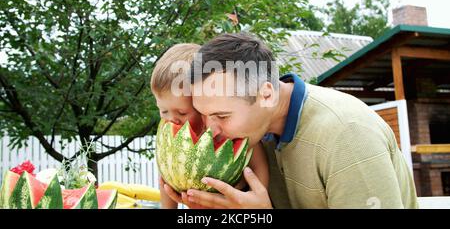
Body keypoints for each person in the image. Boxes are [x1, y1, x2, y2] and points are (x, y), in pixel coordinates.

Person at [163, 32, 419, 209]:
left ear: (266, 94)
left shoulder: (347, 134)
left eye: (222, 116)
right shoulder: (249, 137)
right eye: (204, 115)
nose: (210, 130)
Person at [150, 43, 269, 209]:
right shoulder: (168, 129)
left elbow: (257, 160)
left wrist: (257, 197)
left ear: (202, 107)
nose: (172, 120)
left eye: (182, 113)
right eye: (163, 111)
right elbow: (165, 175)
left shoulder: (228, 132)